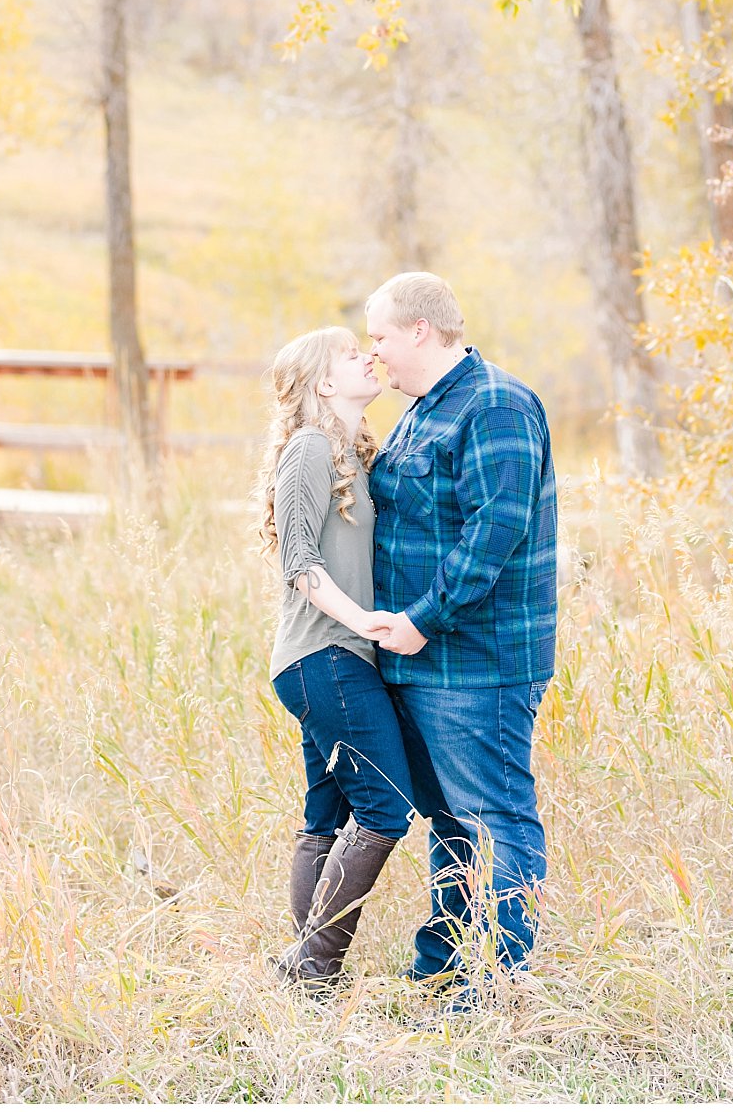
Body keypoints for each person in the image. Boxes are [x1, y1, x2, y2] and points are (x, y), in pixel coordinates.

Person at [362, 272, 560, 996]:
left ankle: (507, 976)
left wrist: (420, 617)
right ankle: (444, 966)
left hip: (478, 661)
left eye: (379, 334)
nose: (373, 350)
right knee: (450, 820)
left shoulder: (496, 404)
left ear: (419, 329)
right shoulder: (422, 410)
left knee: (497, 815)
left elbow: (495, 530)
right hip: (421, 661)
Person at [257, 326, 414, 994]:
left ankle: (309, 974)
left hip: (338, 657)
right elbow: (300, 563)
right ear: (323, 383)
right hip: (323, 655)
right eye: (352, 353)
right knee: (387, 805)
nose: (367, 356)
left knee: (325, 814)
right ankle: (313, 961)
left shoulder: (354, 452)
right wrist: (366, 623)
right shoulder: (309, 447)